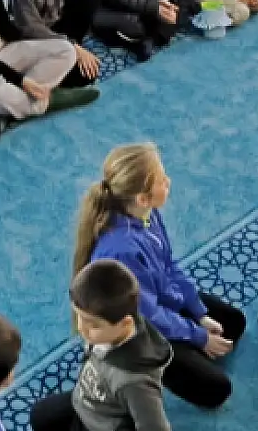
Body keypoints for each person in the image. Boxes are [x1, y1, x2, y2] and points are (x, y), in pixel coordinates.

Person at [74, 144, 244, 414]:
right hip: (139, 331)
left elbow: (170, 267)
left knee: (234, 323)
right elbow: (148, 317)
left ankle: (188, 351)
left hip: (159, 300)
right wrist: (199, 337)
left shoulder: (147, 216)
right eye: (162, 180)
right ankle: (154, 370)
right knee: (217, 390)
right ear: (143, 198)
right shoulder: (122, 251)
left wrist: (199, 313)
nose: (169, 182)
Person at [29, 260, 177, 431]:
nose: (82, 328)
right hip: (87, 404)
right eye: (79, 317)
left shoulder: (135, 382)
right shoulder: (108, 331)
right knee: (40, 417)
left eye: (92, 325)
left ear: (125, 324)